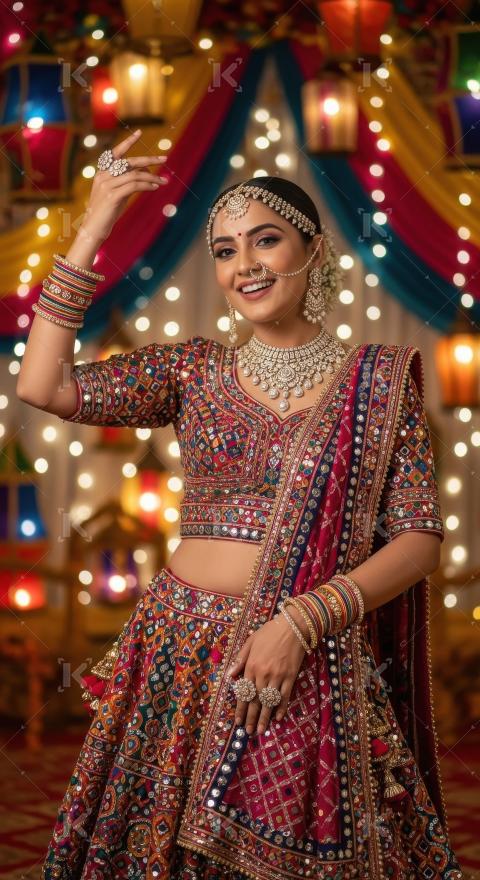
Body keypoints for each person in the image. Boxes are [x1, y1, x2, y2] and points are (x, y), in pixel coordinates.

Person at [17, 130, 464, 879]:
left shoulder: (378, 384)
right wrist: (93, 226)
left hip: (312, 649)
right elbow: (42, 387)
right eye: (225, 250)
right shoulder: (193, 370)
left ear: (313, 251)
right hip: (182, 656)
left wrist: (300, 620)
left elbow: (419, 540)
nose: (244, 264)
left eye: (266, 241)